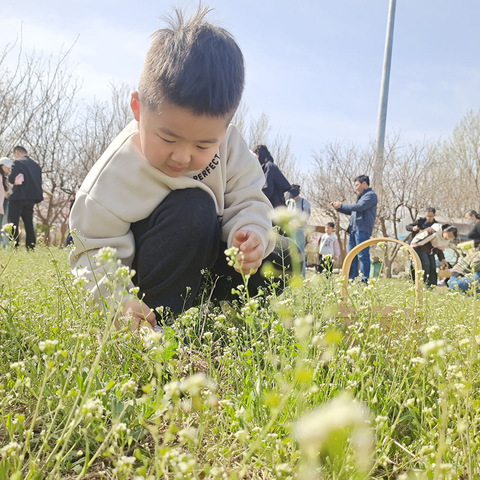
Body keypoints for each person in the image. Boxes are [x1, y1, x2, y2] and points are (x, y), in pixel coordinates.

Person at [69, 7, 296, 331]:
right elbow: (91, 251)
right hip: (148, 268)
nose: (182, 156)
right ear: (138, 108)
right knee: (193, 206)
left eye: (204, 145)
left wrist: (251, 235)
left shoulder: (230, 146)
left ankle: (223, 314)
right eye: (168, 137)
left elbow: (248, 198)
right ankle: (166, 324)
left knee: (285, 254)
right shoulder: (114, 176)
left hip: (204, 255)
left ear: (226, 128)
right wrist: (118, 300)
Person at [330, 175, 377, 281]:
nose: (356, 188)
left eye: (357, 185)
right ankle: (352, 278)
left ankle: (364, 281)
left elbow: (358, 207)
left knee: (363, 256)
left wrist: (341, 205)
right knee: (351, 255)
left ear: (364, 183)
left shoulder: (371, 195)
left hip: (362, 230)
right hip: (354, 230)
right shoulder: (361, 197)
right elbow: (353, 211)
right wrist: (338, 208)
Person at [7, 146, 43, 250]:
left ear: (17, 152)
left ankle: (14, 247)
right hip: (31, 198)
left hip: (17, 197)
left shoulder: (18, 162)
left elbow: (11, 178)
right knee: (29, 223)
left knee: (13, 223)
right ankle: (30, 247)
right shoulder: (36, 166)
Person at [285, 184, 310, 276]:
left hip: (299, 230)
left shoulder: (304, 202)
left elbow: (306, 215)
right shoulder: (289, 203)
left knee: (300, 252)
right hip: (290, 230)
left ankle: (302, 275)